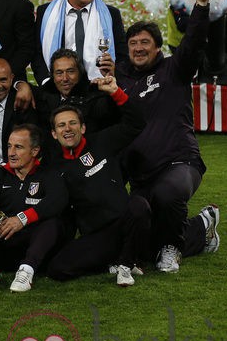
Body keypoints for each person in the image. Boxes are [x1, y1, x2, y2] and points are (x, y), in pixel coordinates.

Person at [101, 0, 219, 272]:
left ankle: (173, 247)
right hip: (142, 175)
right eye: (133, 43)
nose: (139, 48)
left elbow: (194, 42)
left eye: (145, 42)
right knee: (142, 242)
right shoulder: (120, 77)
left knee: (168, 196)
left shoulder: (174, 69)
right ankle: (201, 227)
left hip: (180, 163)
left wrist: (201, 5)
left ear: (157, 47)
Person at [43, 78, 153, 286]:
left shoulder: (103, 140)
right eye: (61, 125)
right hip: (98, 236)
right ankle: (117, 258)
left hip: (126, 222)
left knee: (140, 206)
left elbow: (137, 123)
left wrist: (115, 92)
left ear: (83, 127)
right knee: (58, 268)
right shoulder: (53, 166)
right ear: (54, 133)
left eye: (73, 123)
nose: (68, 129)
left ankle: (126, 265)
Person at [0, 124, 67, 292]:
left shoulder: (48, 174)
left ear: (34, 151)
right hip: (3, 242)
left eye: (18, 147)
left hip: (34, 248)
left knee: (52, 221)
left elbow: (58, 200)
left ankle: (26, 271)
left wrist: (22, 219)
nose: (11, 153)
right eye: (9, 146)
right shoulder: (0, 175)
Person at [34, 0, 127, 83]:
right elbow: (36, 53)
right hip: (57, 88)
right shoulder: (45, 12)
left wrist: (114, 72)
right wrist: (45, 81)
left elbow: (122, 55)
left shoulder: (111, 14)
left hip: (98, 89)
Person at [33, 48, 118, 136]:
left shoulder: (96, 96)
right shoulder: (42, 96)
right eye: (59, 73)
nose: (65, 78)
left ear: (80, 73)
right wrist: (20, 84)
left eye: (70, 71)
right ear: (52, 76)